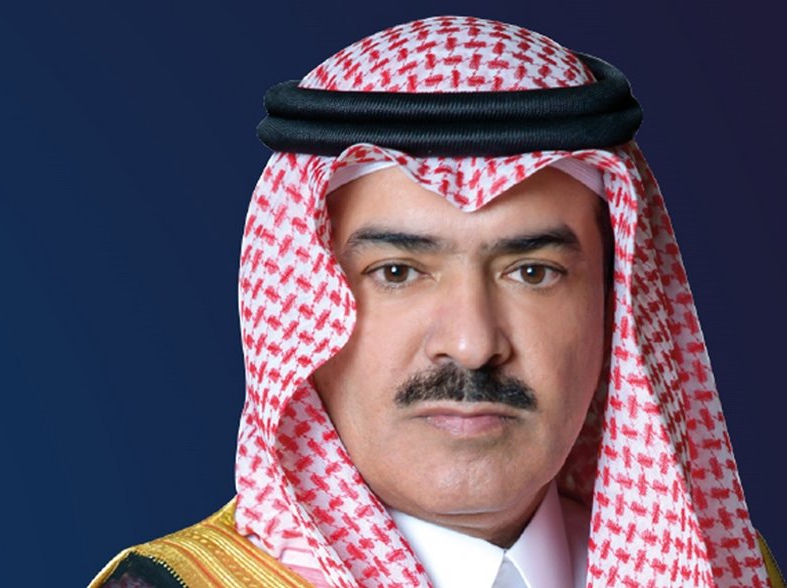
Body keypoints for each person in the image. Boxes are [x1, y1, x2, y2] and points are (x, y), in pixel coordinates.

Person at [90, 15, 783, 588]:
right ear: (300, 306)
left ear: (614, 306)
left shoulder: (726, 571)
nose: (473, 344)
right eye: (397, 272)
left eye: (532, 272)